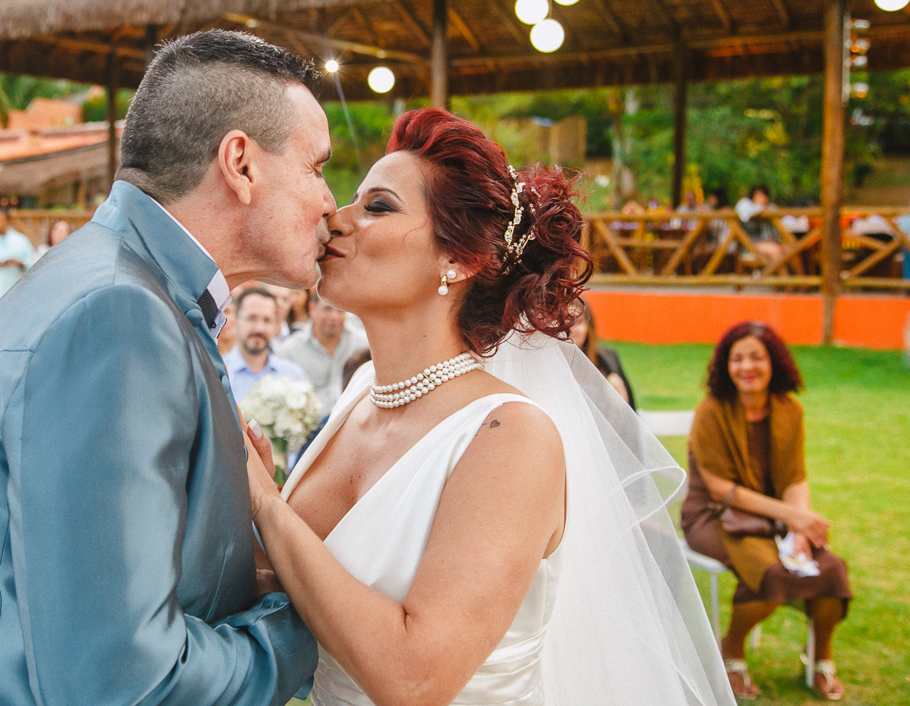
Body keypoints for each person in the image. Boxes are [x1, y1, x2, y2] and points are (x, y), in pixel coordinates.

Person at [0, 30, 335, 706]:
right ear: (240, 163)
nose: (331, 202)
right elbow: (125, 683)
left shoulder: (115, 282)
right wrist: (314, 625)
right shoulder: (119, 316)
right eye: (318, 166)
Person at [241, 108, 733, 706]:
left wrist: (269, 505)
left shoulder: (510, 437)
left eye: (377, 207)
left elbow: (414, 680)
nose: (333, 219)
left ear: (459, 259)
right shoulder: (360, 392)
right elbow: (300, 585)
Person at [681, 322, 851, 701]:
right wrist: (793, 519)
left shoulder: (789, 409)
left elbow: (795, 478)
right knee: (770, 573)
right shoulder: (711, 410)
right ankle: (732, 651)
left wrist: (801, 529)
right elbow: (722, 490)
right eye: (737, 358)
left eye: (756, 357)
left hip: (772, 519)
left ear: (773, 362)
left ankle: (820, 657)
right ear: (726, 366)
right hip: (711, 515)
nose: (747, 366)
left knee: (833, 570)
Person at [279, 291, 369, 417]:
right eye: (327, 309)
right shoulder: (290, 349)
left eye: (340, 311)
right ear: (312, 309)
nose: (334, 317)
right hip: (309, 429)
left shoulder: (363, 344)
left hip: (354, 421)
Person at [224, 286, 308, 403]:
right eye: (251, 318)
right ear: (236, 320)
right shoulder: (219, 374)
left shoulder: (293, 375)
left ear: (275, 324)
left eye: (267, 320)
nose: (259, 328)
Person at [568, 296, 636, 409]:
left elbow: (631, 410)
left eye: (577, 322)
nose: (571, 328)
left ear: (588, 327)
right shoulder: (550, 362)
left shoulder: (606, 360)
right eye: (565, 322)